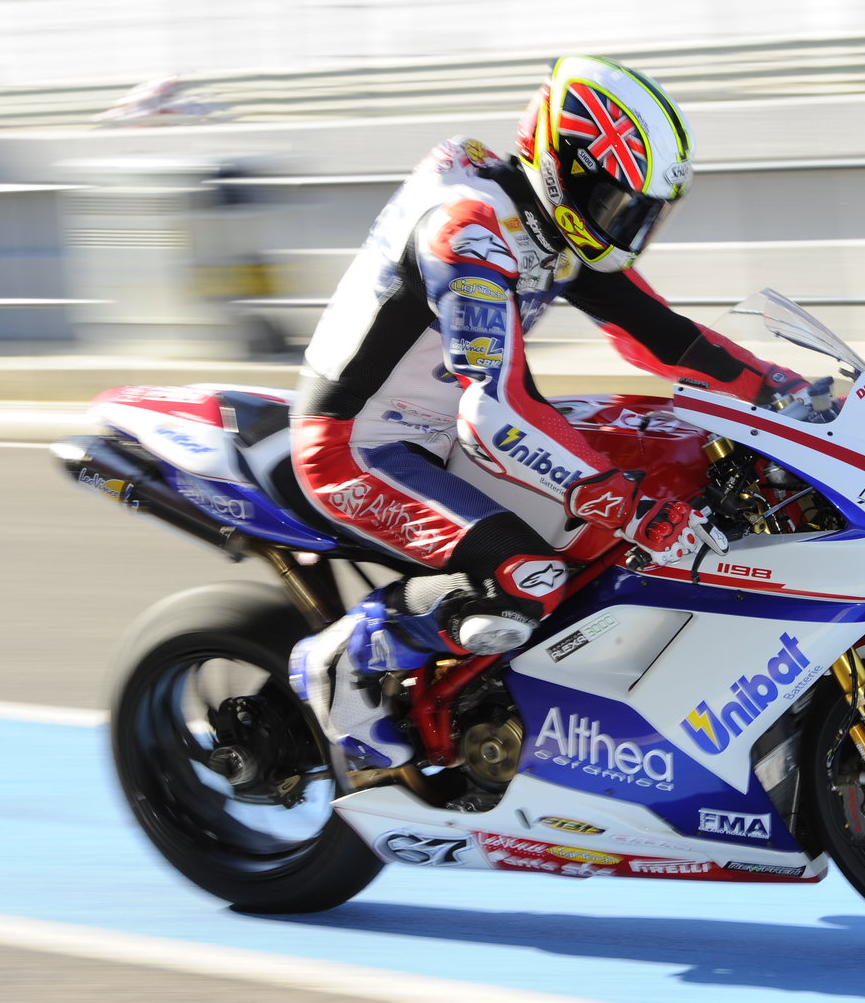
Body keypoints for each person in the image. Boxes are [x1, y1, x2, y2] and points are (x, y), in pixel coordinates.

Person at [289, 55, 775, 770]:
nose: (623, 225)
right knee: (528, 576)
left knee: (626, 510)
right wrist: (623, 500)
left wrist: (784, 390)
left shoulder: (547, 225)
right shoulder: (471, 231)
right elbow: (499, 407)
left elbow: (660, 334)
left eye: (638, 212)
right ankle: (344, 657)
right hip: (360, 444)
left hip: (445, 432)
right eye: (613, 202)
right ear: (561, 165)